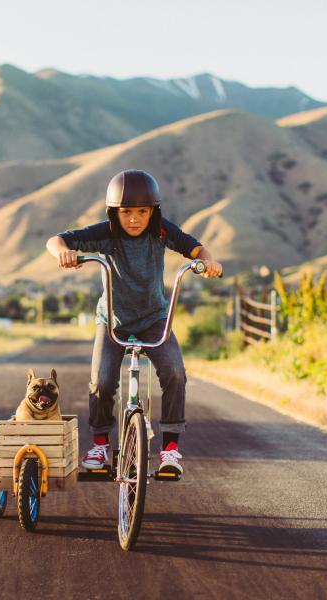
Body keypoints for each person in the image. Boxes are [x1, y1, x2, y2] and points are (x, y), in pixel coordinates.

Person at [45, 169, 223, 478]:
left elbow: (196, 249)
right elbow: (56, 240)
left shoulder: (161, 232)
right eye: (126, 212)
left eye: (142, 211)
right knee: (101, 381)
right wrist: (63, 252)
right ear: (114, 212)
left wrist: (208, 262)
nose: (134, 218)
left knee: (175, 372)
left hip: (154, 318)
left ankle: (170, 450)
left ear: (153, 211)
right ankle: (100, 445)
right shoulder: (106, 232)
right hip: (112, 320)